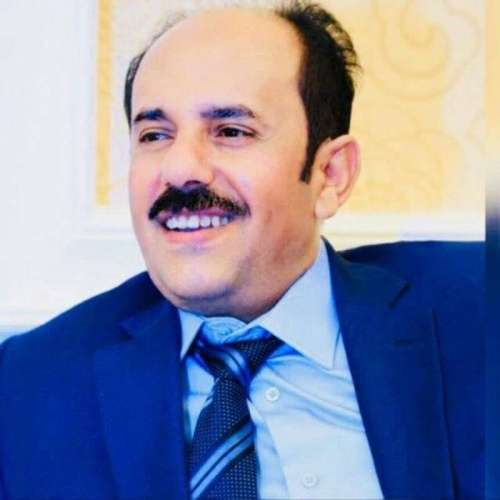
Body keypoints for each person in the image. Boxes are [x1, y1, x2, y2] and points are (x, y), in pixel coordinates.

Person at [0, 2, 483, 499]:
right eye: (155, 135)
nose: (180, 169)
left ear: (330, 176)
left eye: (231, 131)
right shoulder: (27, 387)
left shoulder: (477, 313)